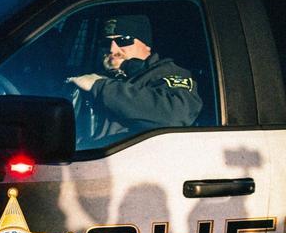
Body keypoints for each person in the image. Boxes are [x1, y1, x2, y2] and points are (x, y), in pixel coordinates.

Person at [67, 14, 202, 139]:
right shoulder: (97, 75)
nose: (112, 49)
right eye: (105, 42)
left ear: (146, 45)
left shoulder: (168, 73)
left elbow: (175, 115)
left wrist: (101, 86)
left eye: (123, 40)